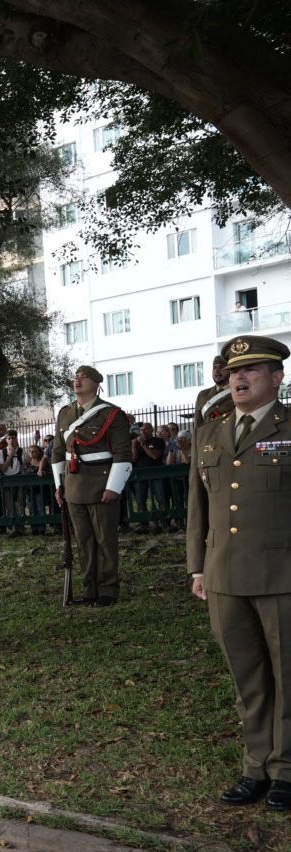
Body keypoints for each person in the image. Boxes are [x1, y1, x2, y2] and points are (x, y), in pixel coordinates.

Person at [189, 335, 291, 810]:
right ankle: (256, 767)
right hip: (224, 575)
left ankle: (286, 770)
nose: (239, 379)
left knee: (287, 674)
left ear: (277, 377)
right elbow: (199, 509)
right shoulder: (210, 433)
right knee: (247, 677)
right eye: (234, 372)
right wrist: (197, 568)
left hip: (282, 574)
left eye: (251, 370)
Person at [50, 365, 133, 607]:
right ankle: (90, 588)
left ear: (96, 384)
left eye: (84, 378)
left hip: (101, 484)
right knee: (84, 541)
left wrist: (113, 487)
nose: (78, 381)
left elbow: (123, 454)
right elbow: (57, 453)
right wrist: (59, 486)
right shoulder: (65, 414)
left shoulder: (111, 414)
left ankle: (108, 589)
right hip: (73, 485)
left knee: (105, 540)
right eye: (76, 377)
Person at [194, 350, 233, 430]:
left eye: (222, 367)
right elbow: (197, 425)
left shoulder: (237, 392)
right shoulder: (203, 395)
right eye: (214, 367)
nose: (217, 371)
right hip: (208, 439)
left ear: (231, 370)